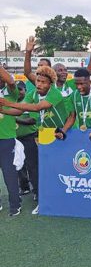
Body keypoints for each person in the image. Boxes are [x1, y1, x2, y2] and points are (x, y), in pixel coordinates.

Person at [24, 35, 91, 96]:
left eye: (65, 70)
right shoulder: (47, 85)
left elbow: (88, 72)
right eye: (60, 70)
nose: (64, 72)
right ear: (53, 73)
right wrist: (28, 52)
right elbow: (28, 73)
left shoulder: (71, 84)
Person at [0, 66, 69, 130]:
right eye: (38, 81)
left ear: (50, 84)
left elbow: (37, 107)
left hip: (63, 130)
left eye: (43, 82)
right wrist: (2, 110)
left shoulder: (55, 93)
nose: (39, 84)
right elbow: (19, 111)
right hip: (46, 131)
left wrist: (8, 103)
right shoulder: (33, 93)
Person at [55, 69, 91, 141]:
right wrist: (63, 132)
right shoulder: (73, 95)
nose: (79, 87)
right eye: (76, 84)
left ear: (89, 82)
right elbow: (72, 117)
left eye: (82, 84)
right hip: (81, 133)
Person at [15, 81, 39, 214]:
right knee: (18, 166)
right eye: (16, 90)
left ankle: (37, 191)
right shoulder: (10, 102)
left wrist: (16, 120)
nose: (19, 92)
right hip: (14, 138)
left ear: (25, 90)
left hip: (29, 137)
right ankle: (24, 187)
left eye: (21, 89)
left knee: (32, 166)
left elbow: (33, 120)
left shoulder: (29, 101)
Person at [0, 65, 22, 216]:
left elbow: (11, 81)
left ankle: (15, 204)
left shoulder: (10, 93)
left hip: (6, 139)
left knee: (9, 174)